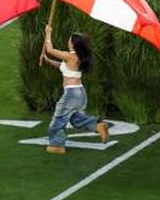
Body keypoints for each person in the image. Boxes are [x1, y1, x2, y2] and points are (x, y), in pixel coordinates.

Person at [39, 25, 109, 154]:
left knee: (58, 119)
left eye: (69, 39)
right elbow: (64, 67)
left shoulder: (71, 56)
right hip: (78, 94)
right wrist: (48, 61)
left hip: (71, 94)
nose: (68, 41)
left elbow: (50, 49)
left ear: (72, 43)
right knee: (76, 120)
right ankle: (97, 125)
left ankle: (57, 145)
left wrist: (48, 33)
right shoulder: (74, 58)